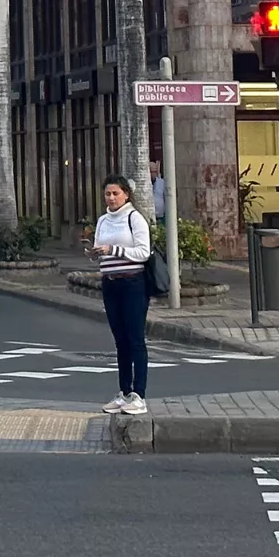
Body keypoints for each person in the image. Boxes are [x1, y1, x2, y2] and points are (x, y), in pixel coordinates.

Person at [88, 174, 153, 416]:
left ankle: (139, 395)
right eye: (108, 194)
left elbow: (143, 253)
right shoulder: (103, 220)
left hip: (133, 284)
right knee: (120, 341)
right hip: (110, 284)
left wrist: (112, 249)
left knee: (136, 339)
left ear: (126, 194)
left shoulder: (135, 219)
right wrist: (96, 253)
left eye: (116, 193)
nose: (112, 198)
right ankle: (123, 392)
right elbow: (100, 247)